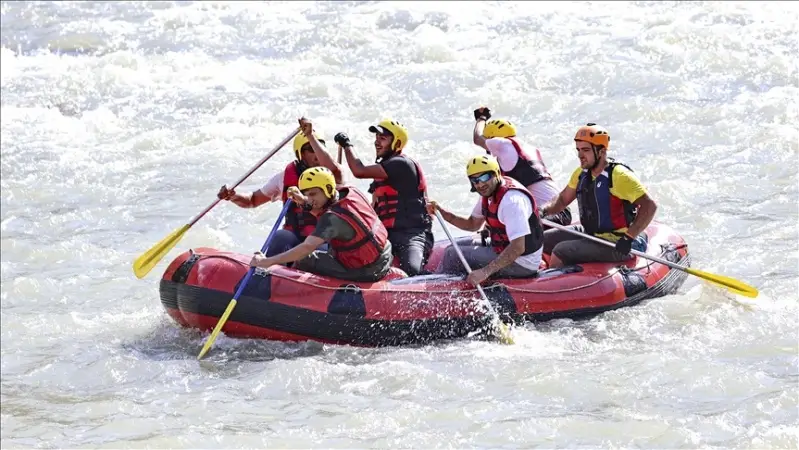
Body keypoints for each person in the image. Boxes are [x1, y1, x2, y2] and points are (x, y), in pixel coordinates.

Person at [217, 119, 344, 256]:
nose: (317, 155)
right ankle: (269, 273)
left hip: (322, 238)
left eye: (320, 148)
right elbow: (252, 200)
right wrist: (232, 196)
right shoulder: (284, 178)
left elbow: (334, 169)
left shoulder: (332, 175)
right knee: (280, 237)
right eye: (311, 149)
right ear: (300, 154)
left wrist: (311, 137)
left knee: (320, 254)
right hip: (295, 236)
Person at [538, 123, 658, 268]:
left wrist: (629, 237)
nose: (580, 155)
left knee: (561, 251)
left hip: (620, 241)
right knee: (542, 239)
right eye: (578, 150)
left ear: (601, 151)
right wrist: (541, 210)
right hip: (592, 234)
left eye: (586, 150)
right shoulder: (581, 174)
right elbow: (562, 199)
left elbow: (650, 206)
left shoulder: (619, 176)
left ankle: (555, 283)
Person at [249, 166, 394, 282]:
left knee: (305, 259)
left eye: (313, 194)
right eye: (307, 194)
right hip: (385, 254)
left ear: (329, 189)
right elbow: (321, 205)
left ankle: (286, 290)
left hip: (368, 269)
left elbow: (306, 247)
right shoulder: (351, 192)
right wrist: (301, 200)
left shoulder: (332, 219)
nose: (309, 199)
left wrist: (267, 262)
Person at [331, 119, 434, 276]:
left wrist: (347, 145)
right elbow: (373, 208)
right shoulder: (380, 174)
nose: (377, 142)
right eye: (377, 137)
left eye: (383, 138)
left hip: (413, 234)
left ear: (397, 143)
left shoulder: (402, 164)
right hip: (387, 235)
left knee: (412, 270)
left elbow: (359, 171)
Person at [426, 155, 545, 286]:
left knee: (453, 255)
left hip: (522, 262)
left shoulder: (512, 201)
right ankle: (444, 281)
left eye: (485, 177)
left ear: (496, 174)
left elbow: (518, 247)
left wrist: (485, 272)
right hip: (502, 247)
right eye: (475, 180)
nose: (480, 184)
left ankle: (437, 288)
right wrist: (441, 212)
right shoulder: (489, 192)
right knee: (451, 248)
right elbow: (472, 224)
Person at [471, 106, 572, 228]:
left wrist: (481, 118)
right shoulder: (526, 149)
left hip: (549, 217)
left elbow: (477, 138)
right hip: (562, 213)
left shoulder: (503, 144)